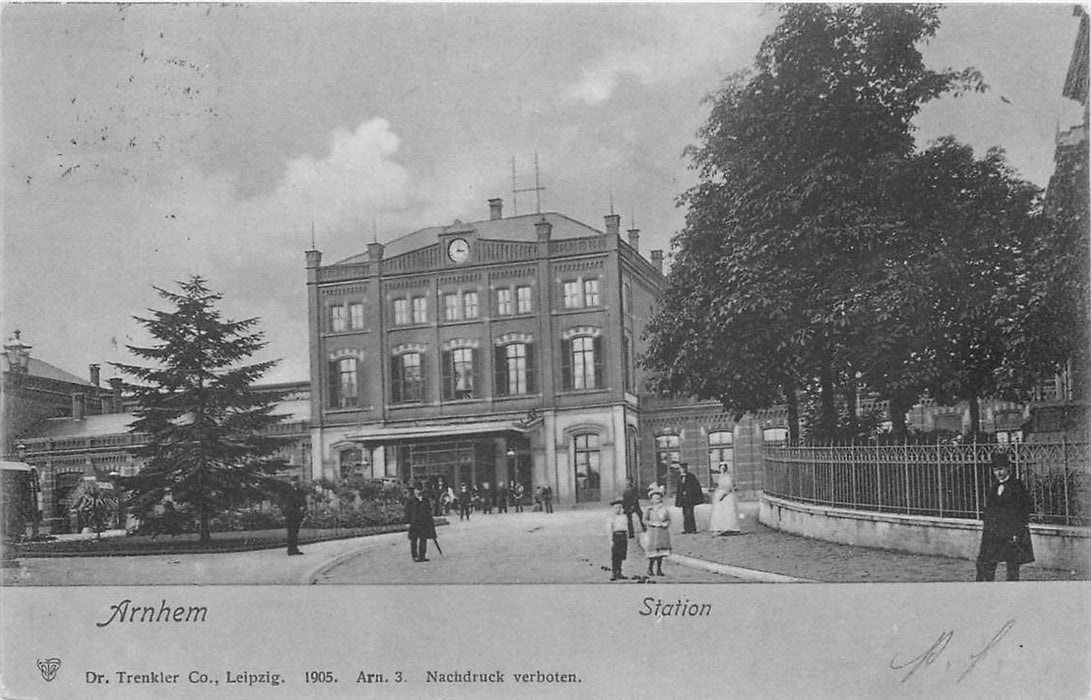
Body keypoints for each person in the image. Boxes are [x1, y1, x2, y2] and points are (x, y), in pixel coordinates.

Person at [976, 452, 1034, 581]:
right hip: (994, 532)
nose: (999, 473)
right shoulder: (994, 487)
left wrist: (1017, 532)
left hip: (1010, 532)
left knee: (1012, 565)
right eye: (996, 470)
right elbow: (989, 510)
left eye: (1001, 469)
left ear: (1008, 468)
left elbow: (1023, 511)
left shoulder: (1017, 485)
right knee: (987, 562)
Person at [405, 483, 436, 563]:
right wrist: (407, 522)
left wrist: (430, 521)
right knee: (414, 540)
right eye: (416, 490)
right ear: (414, 490)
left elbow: (428, 511)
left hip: (423, 523)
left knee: (423, 539)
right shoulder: (410, 500)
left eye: (419, 490)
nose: (418, 492)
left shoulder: (425, 500)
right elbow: (407, 512)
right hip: (414, 523)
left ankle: (422, 555)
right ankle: (415, 555)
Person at [643, 488, 671, 576]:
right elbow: (644, 520)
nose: (657, 500)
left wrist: (665, 524)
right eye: (655, 499)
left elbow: (668, 519)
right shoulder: (649, 509)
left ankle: (659, 569)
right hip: (653, 532)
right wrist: (653, 523)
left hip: (662, 532)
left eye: (659, 498)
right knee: (653, 552)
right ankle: (650, 568)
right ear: (651, 500)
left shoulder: (664, 509)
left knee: (661, 552)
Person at [708, 463, 741, 535]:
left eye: (724, 468)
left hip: (727, 496)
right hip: (720, 493)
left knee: (727, 511)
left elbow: (728, 488)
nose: (722, 470)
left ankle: (730, 528)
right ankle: (721, 527)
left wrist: (722, 496)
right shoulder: (720, 476)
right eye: (721, 468)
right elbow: (719, 486)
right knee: (719, 512)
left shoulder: (728, 477)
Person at [282, 476, 308, 556]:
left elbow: (304, 502)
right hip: (290, 515)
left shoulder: (300, 491)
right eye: (293, 481)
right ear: (291, 482)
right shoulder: (287, 492)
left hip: (298, 515)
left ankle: (295, 549)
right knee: (291, 532)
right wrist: (285, 514)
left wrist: (303, 508)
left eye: (296, 481)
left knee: (295, 532)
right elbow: (285, 504)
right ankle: (290, 550)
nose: (295, 483)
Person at [675, 462, 703, 534]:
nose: (683, 470)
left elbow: (696, 487)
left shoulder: (691, 477)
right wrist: (678, 499)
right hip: (683, 499)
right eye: (681, 468)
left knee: (690, 513)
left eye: (684, 468)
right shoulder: (679, 477)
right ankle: (686, 529)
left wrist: (688, 492)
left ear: (686, 469)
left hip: (690, 498)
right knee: (684, 513)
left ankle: (693, 529)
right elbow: (678, 489)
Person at [607, 499, 629, 581]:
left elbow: (626, 527)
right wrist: (611, 540)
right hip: (616, 536)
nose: (618, 509)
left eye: (620, 507)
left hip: (623, 536)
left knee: (621, 555)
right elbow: (609, 529)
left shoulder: (624, 516)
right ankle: (614, 573)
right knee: (615, 556)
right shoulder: (611, 518)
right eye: (616, 508)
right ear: (613, 509)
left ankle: (619, 572)